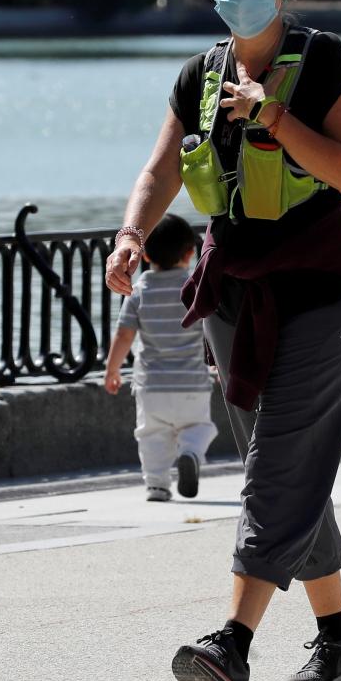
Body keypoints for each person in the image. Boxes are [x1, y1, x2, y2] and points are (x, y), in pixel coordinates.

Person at [105, 0, 341, 681]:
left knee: (275, 470)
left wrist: (272, 117)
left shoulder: (324, 58)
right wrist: (131, 234)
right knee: (288, 469)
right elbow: (161, 168)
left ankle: (232, 644)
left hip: (321, 293)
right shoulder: (199, 73)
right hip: (234, 297)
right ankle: (338, 643)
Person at [103, 213, 216, 503]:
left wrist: (112, 369)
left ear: (146, 255)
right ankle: (190, 452)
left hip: (151, 386)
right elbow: (211, 329)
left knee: (151, 434)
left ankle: (156, 484)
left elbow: (125, 334)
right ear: (191, 252)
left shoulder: (140, 291)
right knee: (199, 427)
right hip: (192, 383)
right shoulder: (194, 288)